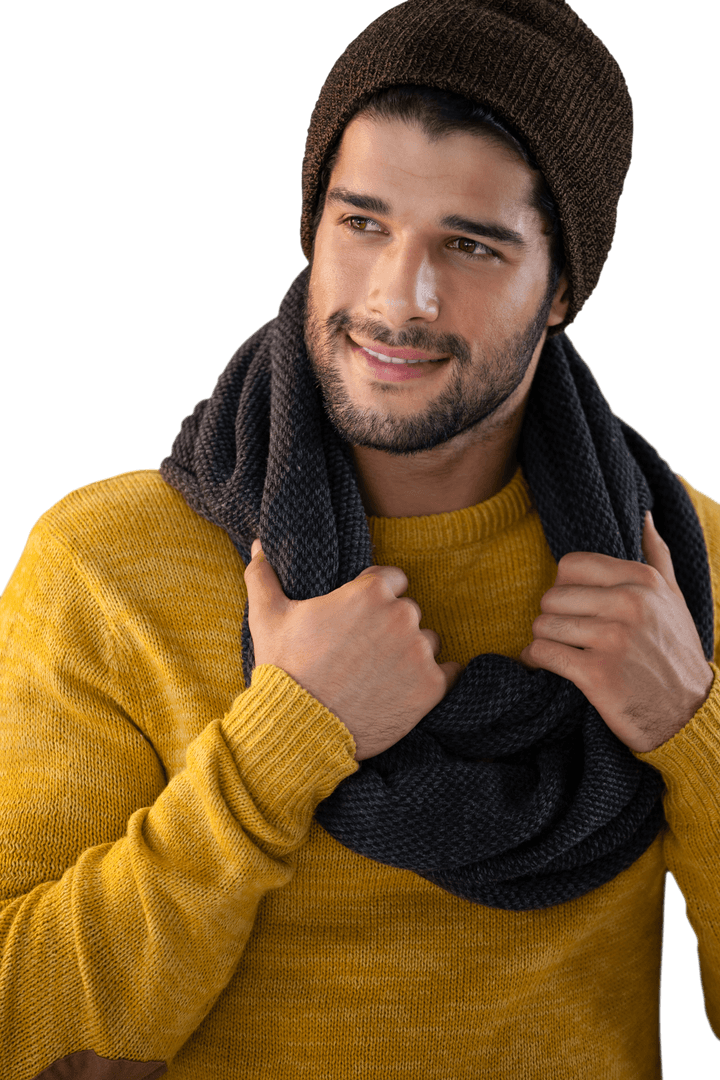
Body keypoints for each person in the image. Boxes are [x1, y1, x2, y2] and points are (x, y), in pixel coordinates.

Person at [1, 1, 718, 1077]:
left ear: (563, 287)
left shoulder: (681, 568)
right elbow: (20, 1024)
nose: (399, 299)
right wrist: (281, 744)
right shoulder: (106, 564)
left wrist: (692, 734)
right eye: (364, 223)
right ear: (313, 226)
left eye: (470, 246)